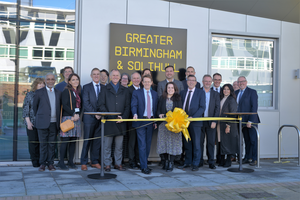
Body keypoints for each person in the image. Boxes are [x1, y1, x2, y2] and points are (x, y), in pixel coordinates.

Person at [97, 69, 130, 172]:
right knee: (107, 146)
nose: (115, 77)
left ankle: (118, 163)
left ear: (120, 78)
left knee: (119, 146)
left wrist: (122, 117)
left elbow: (127, 106)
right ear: (110, 77)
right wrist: (110, 116)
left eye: (117, 75)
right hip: (108, 122)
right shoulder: (105, 89)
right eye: (113, 75)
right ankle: (107, 164)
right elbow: (100, 105)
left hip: (120, 122)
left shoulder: (125, 90)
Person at [33, 73, 61, 172]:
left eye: (52, 79)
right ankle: (42, 164)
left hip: (54, 123)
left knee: (52, 144)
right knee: (43, 144)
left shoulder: (58, 92)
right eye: (48, 79)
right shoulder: (39, 92)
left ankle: (50, 163)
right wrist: (42, 117)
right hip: (42, 122)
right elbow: (35, 107)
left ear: (55, 80)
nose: (50, 81)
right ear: (45, 81)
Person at [157, 65, 184, 165]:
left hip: (174, 126)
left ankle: (171, 163)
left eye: (172, 87)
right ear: (166, 89)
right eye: (168, 87)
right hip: (164, 126)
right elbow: (158, 110)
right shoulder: (162, 98)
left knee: (173, 145)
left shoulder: (178, 98)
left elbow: (180, 111)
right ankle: (165, 162)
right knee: (164, 144)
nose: (170, 89)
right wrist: (159, 114)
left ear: (175, 88)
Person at [131, 74, 158, 174]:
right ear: (142, 83)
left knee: (147, 144)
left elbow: (155, 108)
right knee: (142, 144)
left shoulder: (155, 94)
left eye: (148, 81)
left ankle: (144, 163)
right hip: (140, 121)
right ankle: (144, 166)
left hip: (150, 121)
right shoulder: (136, 93)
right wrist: (134, 114)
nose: (147, 83)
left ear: (151, 83)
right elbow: (134, 105)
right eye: (145, 81)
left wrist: (155, 121)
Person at [178, 75, 206, 171]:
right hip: (184, 123)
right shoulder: (182, 92)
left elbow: (202, 107)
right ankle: (188, 162)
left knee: (197, 144)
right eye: (189, 80)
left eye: (193, 80)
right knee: (187, 144)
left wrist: (193, 117)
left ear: (196, 82)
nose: (191, 82)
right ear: (186, 82)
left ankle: (195, 164)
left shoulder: (200, 93)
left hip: (195, 123)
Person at [58, 73, 82, 170]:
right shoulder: (66, 91)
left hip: (76, 118)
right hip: (68, 118)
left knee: (73, 141)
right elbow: (65, 105)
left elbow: (81, 106)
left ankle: (71, 161)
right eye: (73, 80)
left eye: (77, 79)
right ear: (69, 81)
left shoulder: (79, 92)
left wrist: (78, 115)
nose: (75, 81)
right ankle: (61, 162)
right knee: (65, 141)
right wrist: (73, 114)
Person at [235, 76, 260, 166]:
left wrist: (250, 120)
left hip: (251, 121)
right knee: (246, 140)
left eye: (243, 81)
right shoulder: (236, 92)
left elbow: (254, 107)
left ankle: (254, 158)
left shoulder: (252, 92)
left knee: (253, 140)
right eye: (239, 82)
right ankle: (247, 157)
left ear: (246, 82)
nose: (241, 83)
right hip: (242, 121)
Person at [80, 68, 102, 171]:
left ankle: (94, 161)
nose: (96, 76)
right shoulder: (86, 87)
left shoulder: (104, 87)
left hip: (100, 119)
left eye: (98, 74)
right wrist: (95, 114)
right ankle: (84, 162)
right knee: (87, 141)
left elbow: (105, 102)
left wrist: (100, 113)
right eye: (94, 74)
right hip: (89, 118)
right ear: (91, 75)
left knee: (97, 142)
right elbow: (86, 103)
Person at [22, 78, 45, 167]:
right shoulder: (30, 94)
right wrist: (28, 122)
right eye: (39, 84)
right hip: (31, 122)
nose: (42, 85)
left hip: (43, 123)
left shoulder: (45, 94)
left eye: (43, 84)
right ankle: (34, 160)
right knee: (33, 142)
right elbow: (26, 109)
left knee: (42, 143)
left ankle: (41, 160)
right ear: (35, 85)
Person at [199, 75, 220, 169]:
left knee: (211, 142)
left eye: (209, 81)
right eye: (206, 81)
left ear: (211, 82)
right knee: (199, 142)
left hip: (211, 122)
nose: (207, 83)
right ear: (202, 81)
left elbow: (217, 108)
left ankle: (211, 161)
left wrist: (214, 120)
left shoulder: (215, 94)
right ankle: (199, 161)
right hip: (200, 121)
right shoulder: (198, 91)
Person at [218, 84, 239, 167]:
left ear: (231, 91)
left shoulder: (231, 99)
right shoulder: (222, 98)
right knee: (222, 142)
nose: (225, 91)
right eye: (224, 89)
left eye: (227, 89)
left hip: (229, 124)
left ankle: (228, 161)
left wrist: (228, 125)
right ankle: (222, 160)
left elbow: (233, 113)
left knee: (229, 143)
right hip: (221, 123)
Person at [127, 72, 142, 169]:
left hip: (142, 120)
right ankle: (132, 161)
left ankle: (138, 160)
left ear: (140, 79)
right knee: (132, 142)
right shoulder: (128, 90)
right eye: (134, 78)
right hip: (132, 120)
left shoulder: (144, 89)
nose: (136, 80)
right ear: (131, 80)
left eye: (138, 78)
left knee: (139, 142)